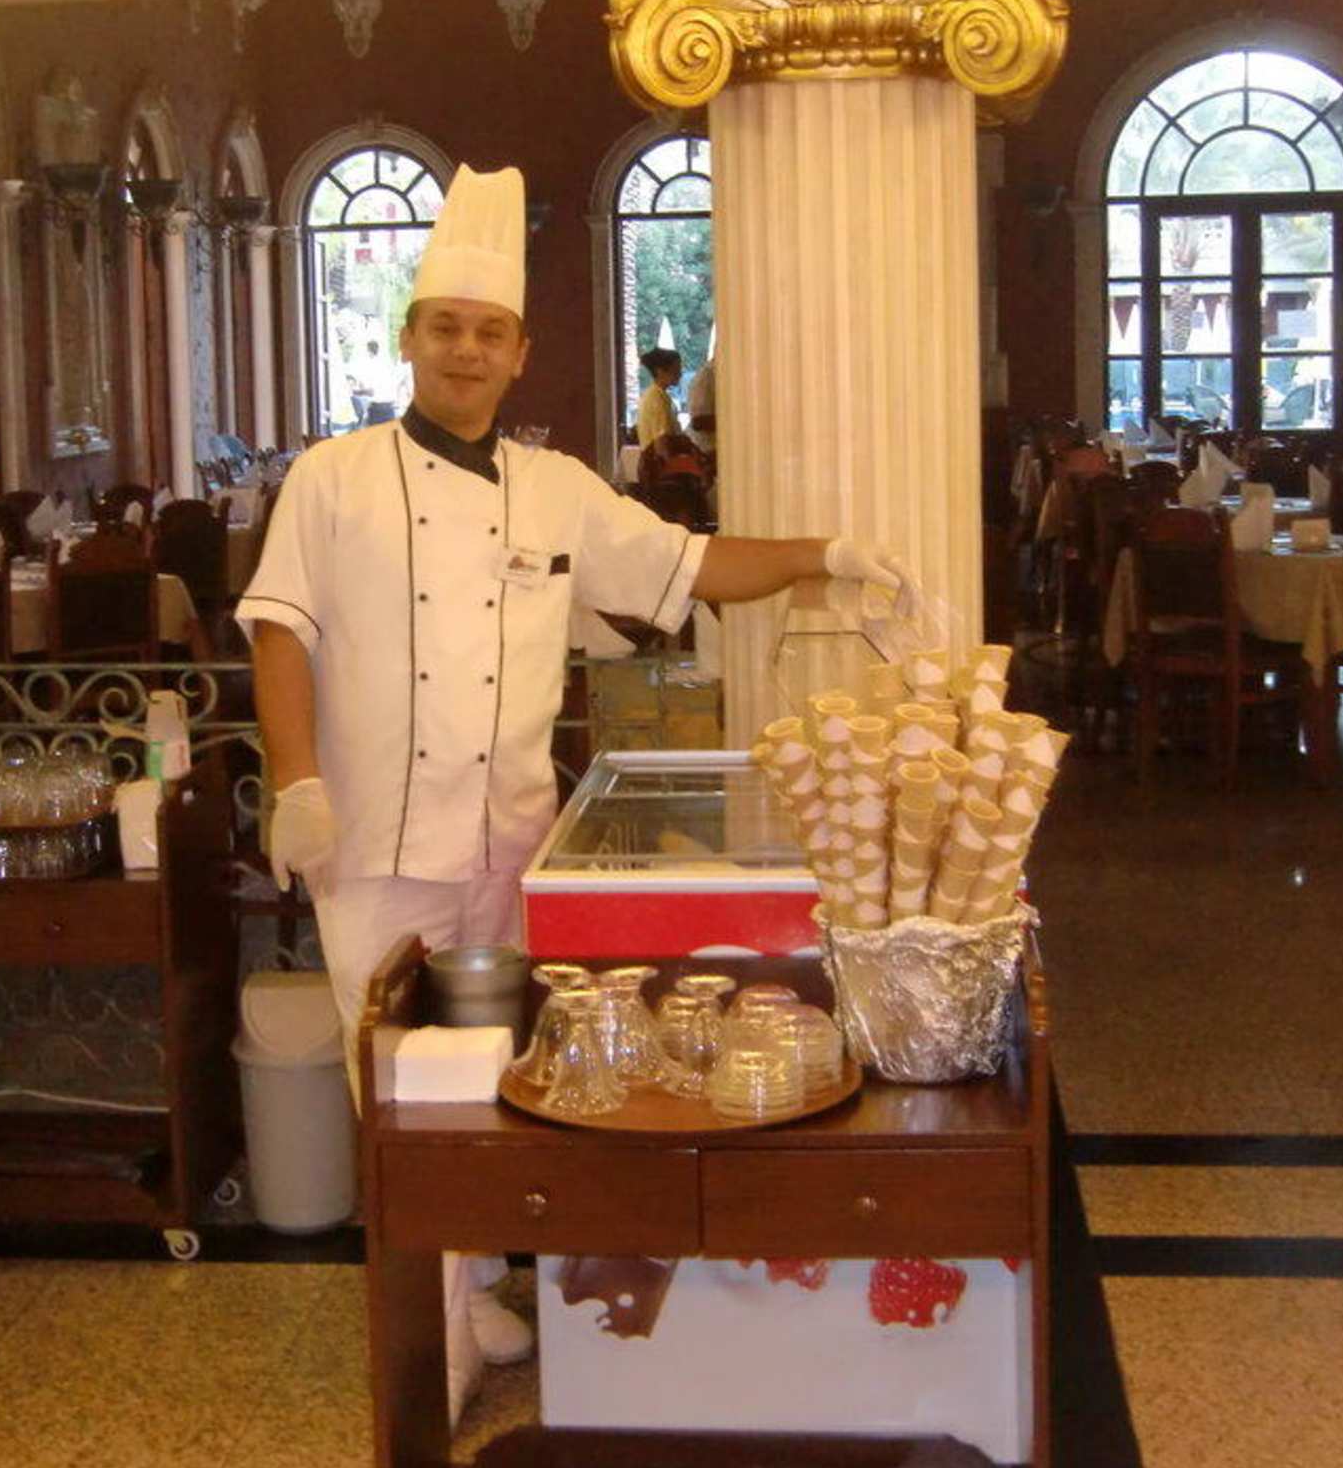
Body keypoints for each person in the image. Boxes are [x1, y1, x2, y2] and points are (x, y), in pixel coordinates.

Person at [236, 163, 918, 1393]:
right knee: (398, 1092)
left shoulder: (555, 490)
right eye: (446, 328)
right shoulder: (331, 479)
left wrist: (828, 553)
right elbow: (279, 629)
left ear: (520, 354)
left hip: (512, 844)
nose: (466, 351)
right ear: (409, 339)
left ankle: (473, 1291)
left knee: (503, 1078)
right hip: (371, 848)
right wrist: (296, 781)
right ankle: (434, 1336)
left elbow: (691, 565)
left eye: (488, 333)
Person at [635, 345, 682, 449]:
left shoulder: (657, 395)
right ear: (660, 371)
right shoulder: (656, 399)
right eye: (676, 370)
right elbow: (661, 442)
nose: (680, 374)